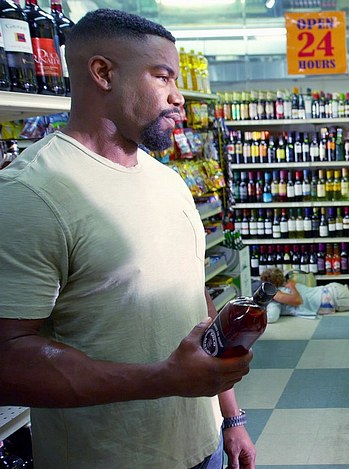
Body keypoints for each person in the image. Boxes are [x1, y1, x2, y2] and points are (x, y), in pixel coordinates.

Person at [0, 9, 256, 469]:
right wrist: (164, 379)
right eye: (162, 76)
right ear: (103, 73)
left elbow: (195, 302)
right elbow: (8, 356)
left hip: (205, 449)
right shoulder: (32, 193)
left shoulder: (170, 182)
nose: (179, 96)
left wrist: (230, 417)